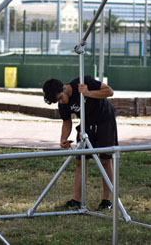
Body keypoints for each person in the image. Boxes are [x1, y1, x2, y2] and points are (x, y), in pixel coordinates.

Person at [42, 75, 118, 211]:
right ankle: (76, 200)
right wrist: (63, 139)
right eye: (57, 101)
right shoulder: (63, 105)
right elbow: (67, 122)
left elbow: (109, 92)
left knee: (105, 160)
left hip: (104, 118)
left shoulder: (83, 82)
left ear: (64, 88)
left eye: (60, 98)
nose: (61, 102)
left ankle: (107, 201)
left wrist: (88, 93)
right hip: (87, 123)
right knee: (80, 160)